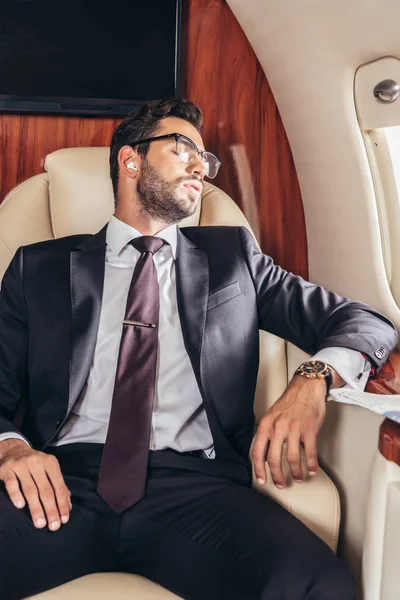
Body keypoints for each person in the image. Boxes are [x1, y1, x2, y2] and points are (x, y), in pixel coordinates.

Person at [0, 98, 397, 600]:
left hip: (195, 486)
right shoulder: (39, 267)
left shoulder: (236, 261)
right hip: (60, 478)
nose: (201, 168)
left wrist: (311, 380)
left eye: (206, 159)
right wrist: (9, 446)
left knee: (320, 586)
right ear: (130, 160)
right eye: (183, 148)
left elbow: (365, 321)